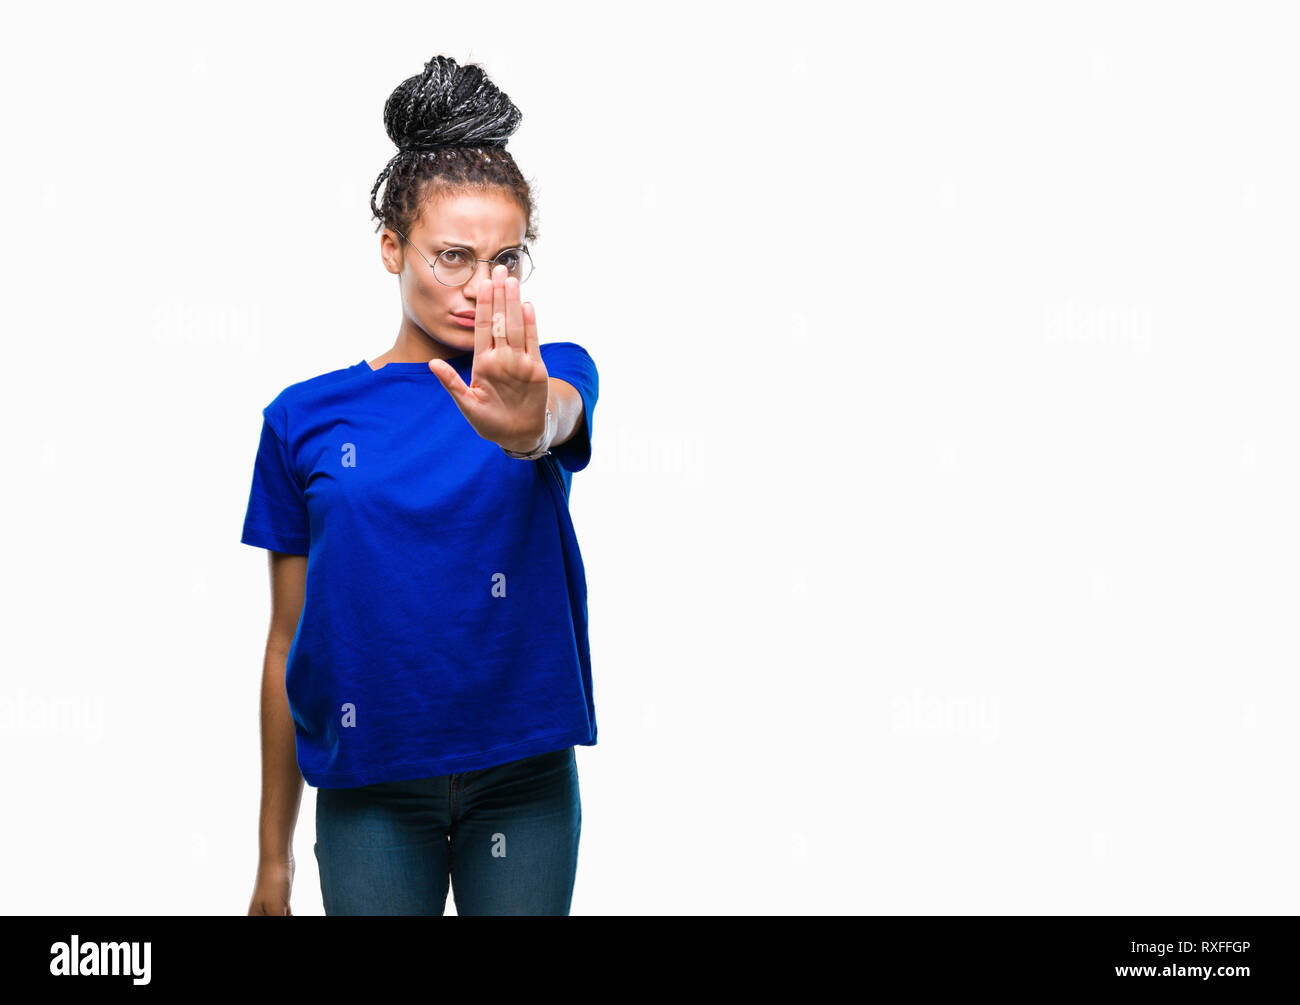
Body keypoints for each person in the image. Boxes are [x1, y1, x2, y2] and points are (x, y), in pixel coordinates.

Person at [241, 55, 598, 916]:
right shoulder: (304, 419)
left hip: (524, 782)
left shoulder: (550, 372)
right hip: (370, 787)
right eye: (451, 256)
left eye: (504, 257)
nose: (481, 287)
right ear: (392, 249)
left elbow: (556, 416)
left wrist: (528, 425)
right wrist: (273, 858)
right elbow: (287, 643)